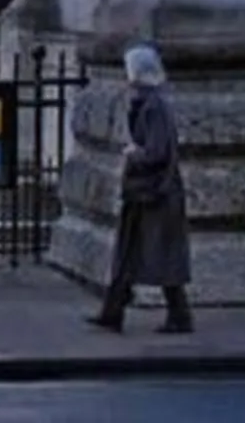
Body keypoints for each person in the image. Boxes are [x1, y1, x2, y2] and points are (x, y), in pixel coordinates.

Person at [87, 44, 193, 336]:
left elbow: (157, 152)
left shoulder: (153, 105)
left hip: (154, 192)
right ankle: (114, 310)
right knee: (128, 252)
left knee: (158, 254)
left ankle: (178, 315)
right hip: (145, 192)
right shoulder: (147, 102)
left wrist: (134, 153)